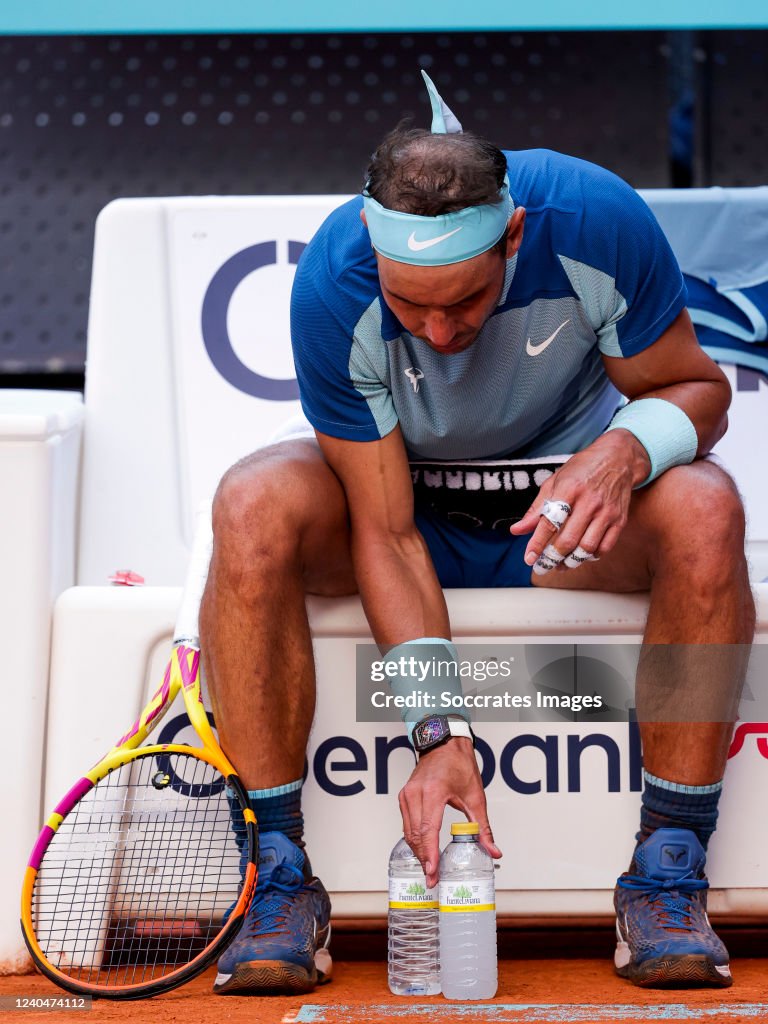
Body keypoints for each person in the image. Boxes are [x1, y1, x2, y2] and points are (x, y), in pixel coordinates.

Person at [200, 73, 755, 995]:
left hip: (567, 524)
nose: (437, 328)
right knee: (252, 502)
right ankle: (280, 877)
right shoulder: (334, 284)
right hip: (408, 517)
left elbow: (702, 394)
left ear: (515, 235)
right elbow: (385, 532)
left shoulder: (593, 220)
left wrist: (625, 448)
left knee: (706, 507)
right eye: (410, 306)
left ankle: (668, 870)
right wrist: (438, 732)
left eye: (461, 301)